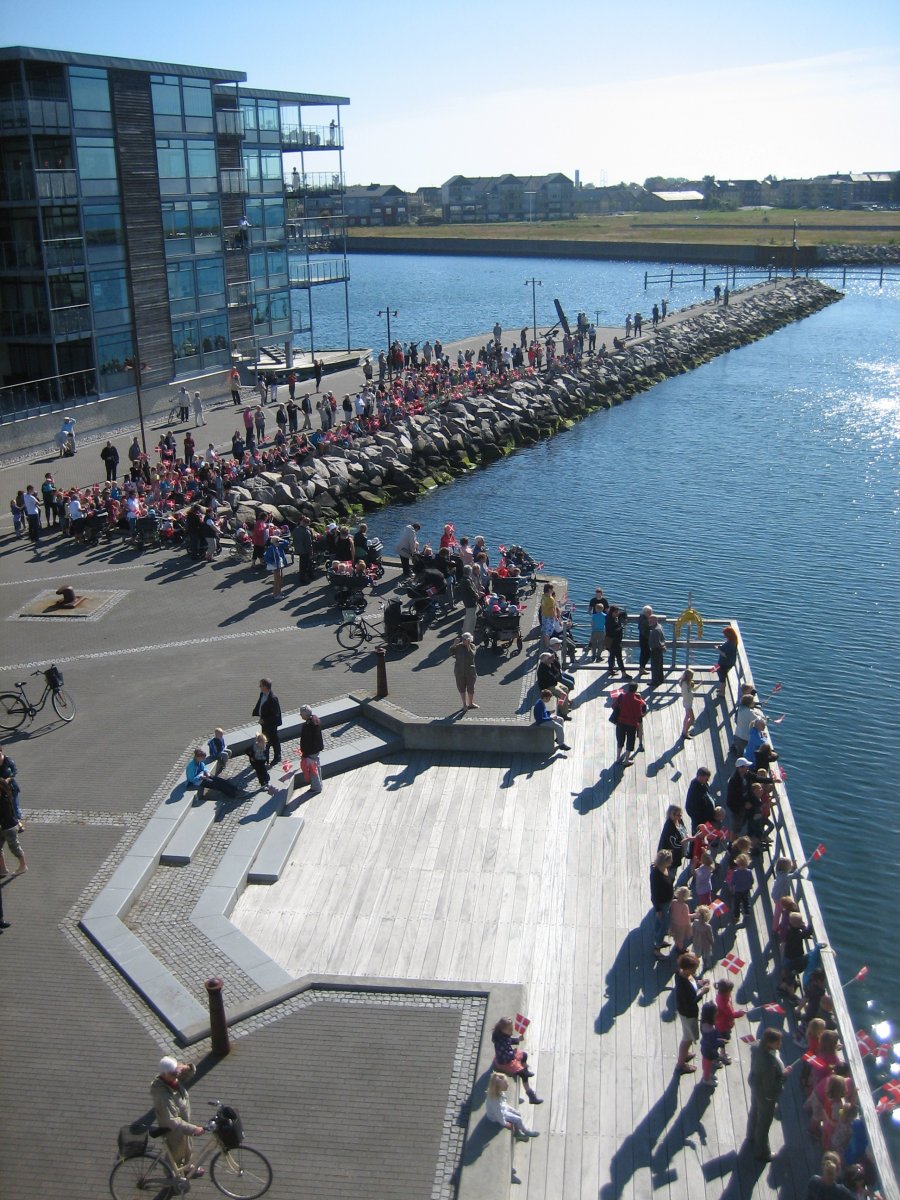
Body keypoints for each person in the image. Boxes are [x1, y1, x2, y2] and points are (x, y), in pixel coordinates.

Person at [150, 1057, 206, 1176]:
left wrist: (187, 1068)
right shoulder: (162, 1095)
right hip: (174, 1131)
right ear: (164, 1074)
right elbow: (172, 1121)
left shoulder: (171, 1078)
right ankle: (171, 1178)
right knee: (175, 1155)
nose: (177, 1075)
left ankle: (187, 1169)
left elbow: (188, 1075)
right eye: (174, 1073)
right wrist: (193, 1129)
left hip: (183, 1126)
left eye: (177, 1071)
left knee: (187, 1149)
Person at [746, 1029, 789, 1161]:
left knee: (754, 1111)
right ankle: (762, 1152)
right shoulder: (768, 1064)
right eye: (778, 1042)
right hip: (766, 1096)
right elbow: (771, 1086)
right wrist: (783, 1076)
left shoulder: (756, 1047)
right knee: (764, 1124)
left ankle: (751, 1136)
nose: (780, 1044)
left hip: (756, 1086)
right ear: (770, 1043)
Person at [491, 1017, 542, 1104]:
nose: (512, 1032)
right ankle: (531, 1096)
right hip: (505, 1063)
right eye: (510, 1030)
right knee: (523, 1074)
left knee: (524, 1055)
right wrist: (513, 1055)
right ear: (503, 1030)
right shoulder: (500, 1042)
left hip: (510, 1057)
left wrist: (517, 1039)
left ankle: (525, 1069)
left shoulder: (503, 1035)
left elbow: (509, 1040)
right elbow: (504, 1057)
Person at [674, 952, 709, 1072]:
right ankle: (681, 1064)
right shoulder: (684, 985)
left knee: (687, 1036)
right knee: (687, 1038)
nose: (695, 971)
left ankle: (684, 1054)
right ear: (687, 968)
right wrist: (702, 992)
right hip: (688, 1014)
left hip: (684, 1011)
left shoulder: (681, 973)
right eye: (694, 969)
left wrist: (699, 983)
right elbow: (691, 1001)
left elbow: (692, 982)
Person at [486, 1073, 540, 1140]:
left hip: (503, 1109)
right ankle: (525, 1132)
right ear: (499, 1088)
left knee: (518, 1113)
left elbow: (503, 1105)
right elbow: (499, 1114)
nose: (508, 1084)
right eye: (505, 1084)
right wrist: (504, 1123)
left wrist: (512, 1110)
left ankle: (518, 1131)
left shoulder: (498, 1093)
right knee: (517, 1119)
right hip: (496, 1116)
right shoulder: (495, 1101)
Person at [612, 682, 646, 766]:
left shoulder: (621, 697)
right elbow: (639, 714)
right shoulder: (637, 701)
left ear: (628, 688)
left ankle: (618, 758)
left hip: (620, 722)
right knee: (630, 742)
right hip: (632, 724)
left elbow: (613, 706)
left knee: (620, 740)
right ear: (635, 690)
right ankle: (626, 760)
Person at [0, 779, 27, 875]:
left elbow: (6, 816)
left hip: (9, 828)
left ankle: (23, 866)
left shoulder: (4, 800)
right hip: (4, 827)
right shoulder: (6, 797)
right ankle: (3, 869)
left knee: (14, 848)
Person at [252, 678, 282, 764]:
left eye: (261, 685)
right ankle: (265, 757)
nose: (259, 687)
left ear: (265, 687)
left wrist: (264, 720)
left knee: (274, 740)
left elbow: (275, 715)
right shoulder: (262, 694)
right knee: (265, 740)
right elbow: (260, 704)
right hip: (264, 723)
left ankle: (277, 757)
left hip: (271, 724)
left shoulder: (273, 699)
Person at [650, 849, 674, 956]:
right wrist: (658, 909)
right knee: (664, 925)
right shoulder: (656, 875)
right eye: (670, 860)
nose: (672, 861)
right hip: (662, 903)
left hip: (667, 900)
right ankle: (657, 947)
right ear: (664, 862)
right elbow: (654, 893)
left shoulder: (664, 868)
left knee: (659, 922)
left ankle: (657, 938)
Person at [658, 804, 690, 873]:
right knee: (671, 873)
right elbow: (674, 844)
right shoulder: (669, 827)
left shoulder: (679, 820)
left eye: (681, 814)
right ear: (673, 815)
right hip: (670, 857)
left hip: (679, 853)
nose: (680, 816)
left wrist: (687, 836)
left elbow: (683, 829)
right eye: (679, 815)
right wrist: (687, 840)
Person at [299, 704, 323, 793]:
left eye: (301, 714)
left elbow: (306, 742)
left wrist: (304, 754)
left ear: (305, 715)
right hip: (317, 749)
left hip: (311, 751)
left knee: (312, 770)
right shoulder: (316, 720)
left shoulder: (307, 726)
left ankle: (316, 788)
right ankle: (319, 784)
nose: (301, 716)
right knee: (317, 767)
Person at [699, 1002, 723, 1087]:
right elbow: (713, 1043)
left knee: (706, 1063)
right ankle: (706, 1079)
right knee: (707, 1066)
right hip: (709, 1051)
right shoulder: (710, 1031)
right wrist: (721, 1042)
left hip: (705, 1048)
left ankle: (707, 1075)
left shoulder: (703, 1022)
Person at [453, 631, 478, 710]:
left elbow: (471, 655)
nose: (463, 640)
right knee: (461, 688)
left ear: (470, 640)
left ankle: (471, 703)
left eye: (465, 639)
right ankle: (464, 704)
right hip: (459, 671)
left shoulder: (473, 646)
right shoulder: (458, 646)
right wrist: (454, 645)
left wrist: (468, 646)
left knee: (471, 688)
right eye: (463, 639)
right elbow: (450, 653)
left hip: (470, 672)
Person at [685, 767, 715, 833]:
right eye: (706, 779)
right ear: (700, 777)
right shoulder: (695, 790)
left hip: (707, 820)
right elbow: (690, 808)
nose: (707, 780)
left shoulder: (703, 784)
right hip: (700, 822)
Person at [716, 626, 739, 697]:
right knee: (722, 674)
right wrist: (721, 647)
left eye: (725, 634)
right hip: (730, 662)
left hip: (725, 663)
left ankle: (722, 693)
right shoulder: (734, 641)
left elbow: (725, 655)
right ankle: (721, 689)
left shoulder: (730, 643)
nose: (724, 636)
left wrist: (718, 650)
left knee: (722, 677)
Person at [292, 516, 314, 584]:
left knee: (302, 565)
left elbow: (294, 539)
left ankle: (308, 576)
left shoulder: (296, 529)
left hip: (299, 549)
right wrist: (311, 553)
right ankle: (303, 580)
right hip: (305, 551)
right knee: (305, 566)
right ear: (307, 523)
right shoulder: (306, 531)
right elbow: (309, 543)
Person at [648, 615, 667, 688]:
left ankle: (655, 681)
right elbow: (662, 639)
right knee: (659, 665)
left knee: (654, 666)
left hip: (656, 649)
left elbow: (657, 642)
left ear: (655, 620)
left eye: (651, 620)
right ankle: (660, 679)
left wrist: (661, 647)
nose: (649, 621)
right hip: (660, 650)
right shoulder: (659, 626)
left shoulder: (655, 630)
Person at [679, 668, 696, 738]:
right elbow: (685, 695)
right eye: (691, 676)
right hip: (687, 704)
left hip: (688, 703)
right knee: (692, 719)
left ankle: (684, 729)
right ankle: (685, 732)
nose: (692, 678)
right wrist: (690, 691)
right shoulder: (685, 685)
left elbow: (692, 689)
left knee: (687, 716)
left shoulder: (687, 683)